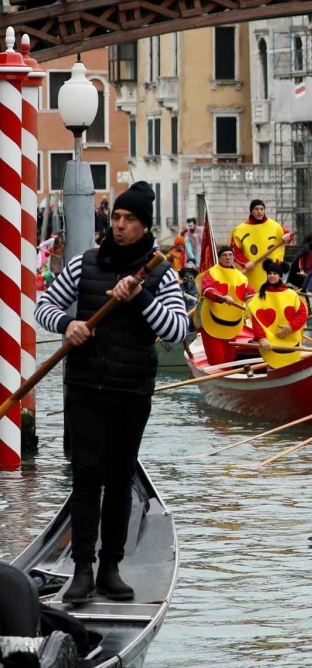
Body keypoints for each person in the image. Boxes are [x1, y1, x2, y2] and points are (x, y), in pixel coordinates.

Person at [35, 182, 189, 604]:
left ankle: (111, 568)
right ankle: (82, 569)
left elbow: (177, 330)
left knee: (120, 481)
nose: (119, 226)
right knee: (87, 479)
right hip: (84, 385)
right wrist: (67, 325)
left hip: (131, 389)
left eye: (129, 221)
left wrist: (140, 298)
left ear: (143, 227)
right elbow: (44, 306)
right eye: (116, 218)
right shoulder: (85, 264)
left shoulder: (160, 273)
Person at [244, 261, 309, 369]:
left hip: (291, 338)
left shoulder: (291, 294)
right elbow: (256, 321)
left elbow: (302, 314)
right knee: (273, 365)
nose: (272, 276)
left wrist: (290, 328)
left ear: (280, 276)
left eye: (275, 273)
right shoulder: (260, 296)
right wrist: (261, 339)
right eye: (270, 273)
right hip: (269, 341)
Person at [195, 245, 251, 366]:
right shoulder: (211, 273)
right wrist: (222, 297)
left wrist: (255, 306)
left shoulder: (242, 277)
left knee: (229, 359)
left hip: (233, 323)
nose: (228, 258)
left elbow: (251, 295)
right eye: (224, 255)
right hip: (211, 322)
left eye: (230, 255)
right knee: (217, 360)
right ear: (219, 258)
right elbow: (207, 289)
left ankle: (229, 377)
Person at [230, 199, 290, 291]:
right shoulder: (240, 229)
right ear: (251, 211)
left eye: (262, 209)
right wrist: (245, 263)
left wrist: (287, 236)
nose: (259, 212)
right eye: (256, 209)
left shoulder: (274, 225)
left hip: (271, 270)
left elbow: (287, 234)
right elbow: (235, 251)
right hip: (252, 271)